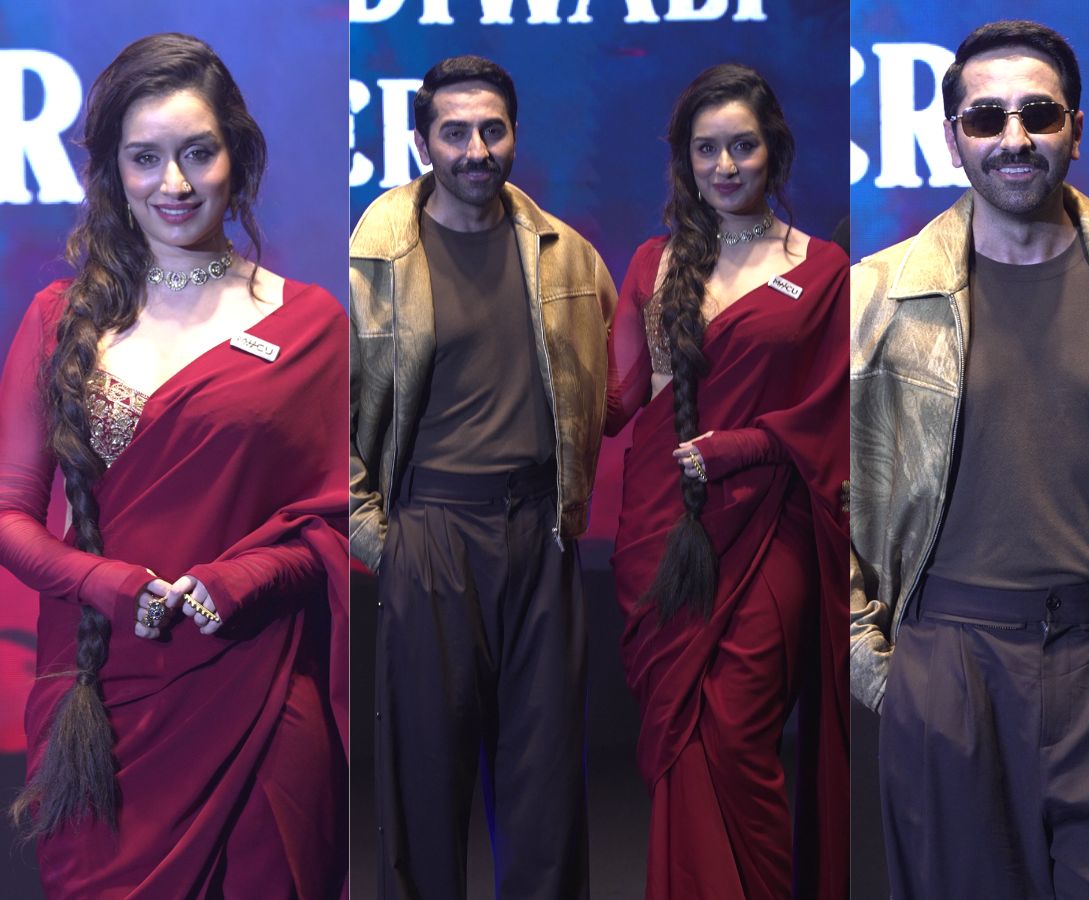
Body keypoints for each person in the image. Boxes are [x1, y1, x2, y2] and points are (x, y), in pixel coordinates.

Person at [851, 19, 1089, 900]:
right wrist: (875, 662)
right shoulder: (873, 301)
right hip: (947, 667)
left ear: (1076, 129)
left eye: (1038, 114)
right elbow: (828, 495)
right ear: (952, 138)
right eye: (986, 118)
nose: (1013, 138)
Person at [0, 34, 348, 897]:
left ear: (239, 156)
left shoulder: (310, 325)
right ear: (113, 172)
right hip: (97, 704)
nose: (176, 183)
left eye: (198, 152)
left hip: (259, 688)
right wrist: (109, 584)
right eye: (146, 158)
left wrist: (245, 579)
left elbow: (339, 520)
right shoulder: (57, 320)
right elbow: (8, 515)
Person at [349, 55, 616, 900]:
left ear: (515, 135)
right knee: (426, 788)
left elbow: (602, 387)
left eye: (492, 130)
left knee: (547, 793)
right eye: (455, 132)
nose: (476, 149)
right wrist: (380, 540)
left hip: (540, 534)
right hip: (431, 532)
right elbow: (332, 422)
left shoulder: (566, 255)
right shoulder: (372, 260)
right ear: (421, 141)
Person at [605, 64, 850, 900]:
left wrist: (746, 444)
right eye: (706, 149)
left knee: (739, 738)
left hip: (770, 528)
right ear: (685, 158)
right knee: (680, 743)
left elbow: (835, 409)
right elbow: (618, 400)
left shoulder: (823, 269)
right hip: (659, 533)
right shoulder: (653, 263)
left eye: (742, 145)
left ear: (773, 150)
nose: (725, 166)